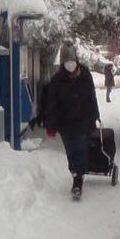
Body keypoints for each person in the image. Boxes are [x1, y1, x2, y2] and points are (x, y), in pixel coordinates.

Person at [46, 42, 100, 200]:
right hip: (66, 123)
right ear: (62, 61)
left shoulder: (85, 75)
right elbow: (52, 104)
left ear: (76, 59)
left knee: (81, 148)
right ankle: (75, 172)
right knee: (71, 151)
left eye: (72, 60)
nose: (70, 64)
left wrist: (95, 115)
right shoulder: (57, 80)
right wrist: (51, 125)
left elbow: (92, 96)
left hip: (84, 120)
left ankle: (78, 181)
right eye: (66, 60)